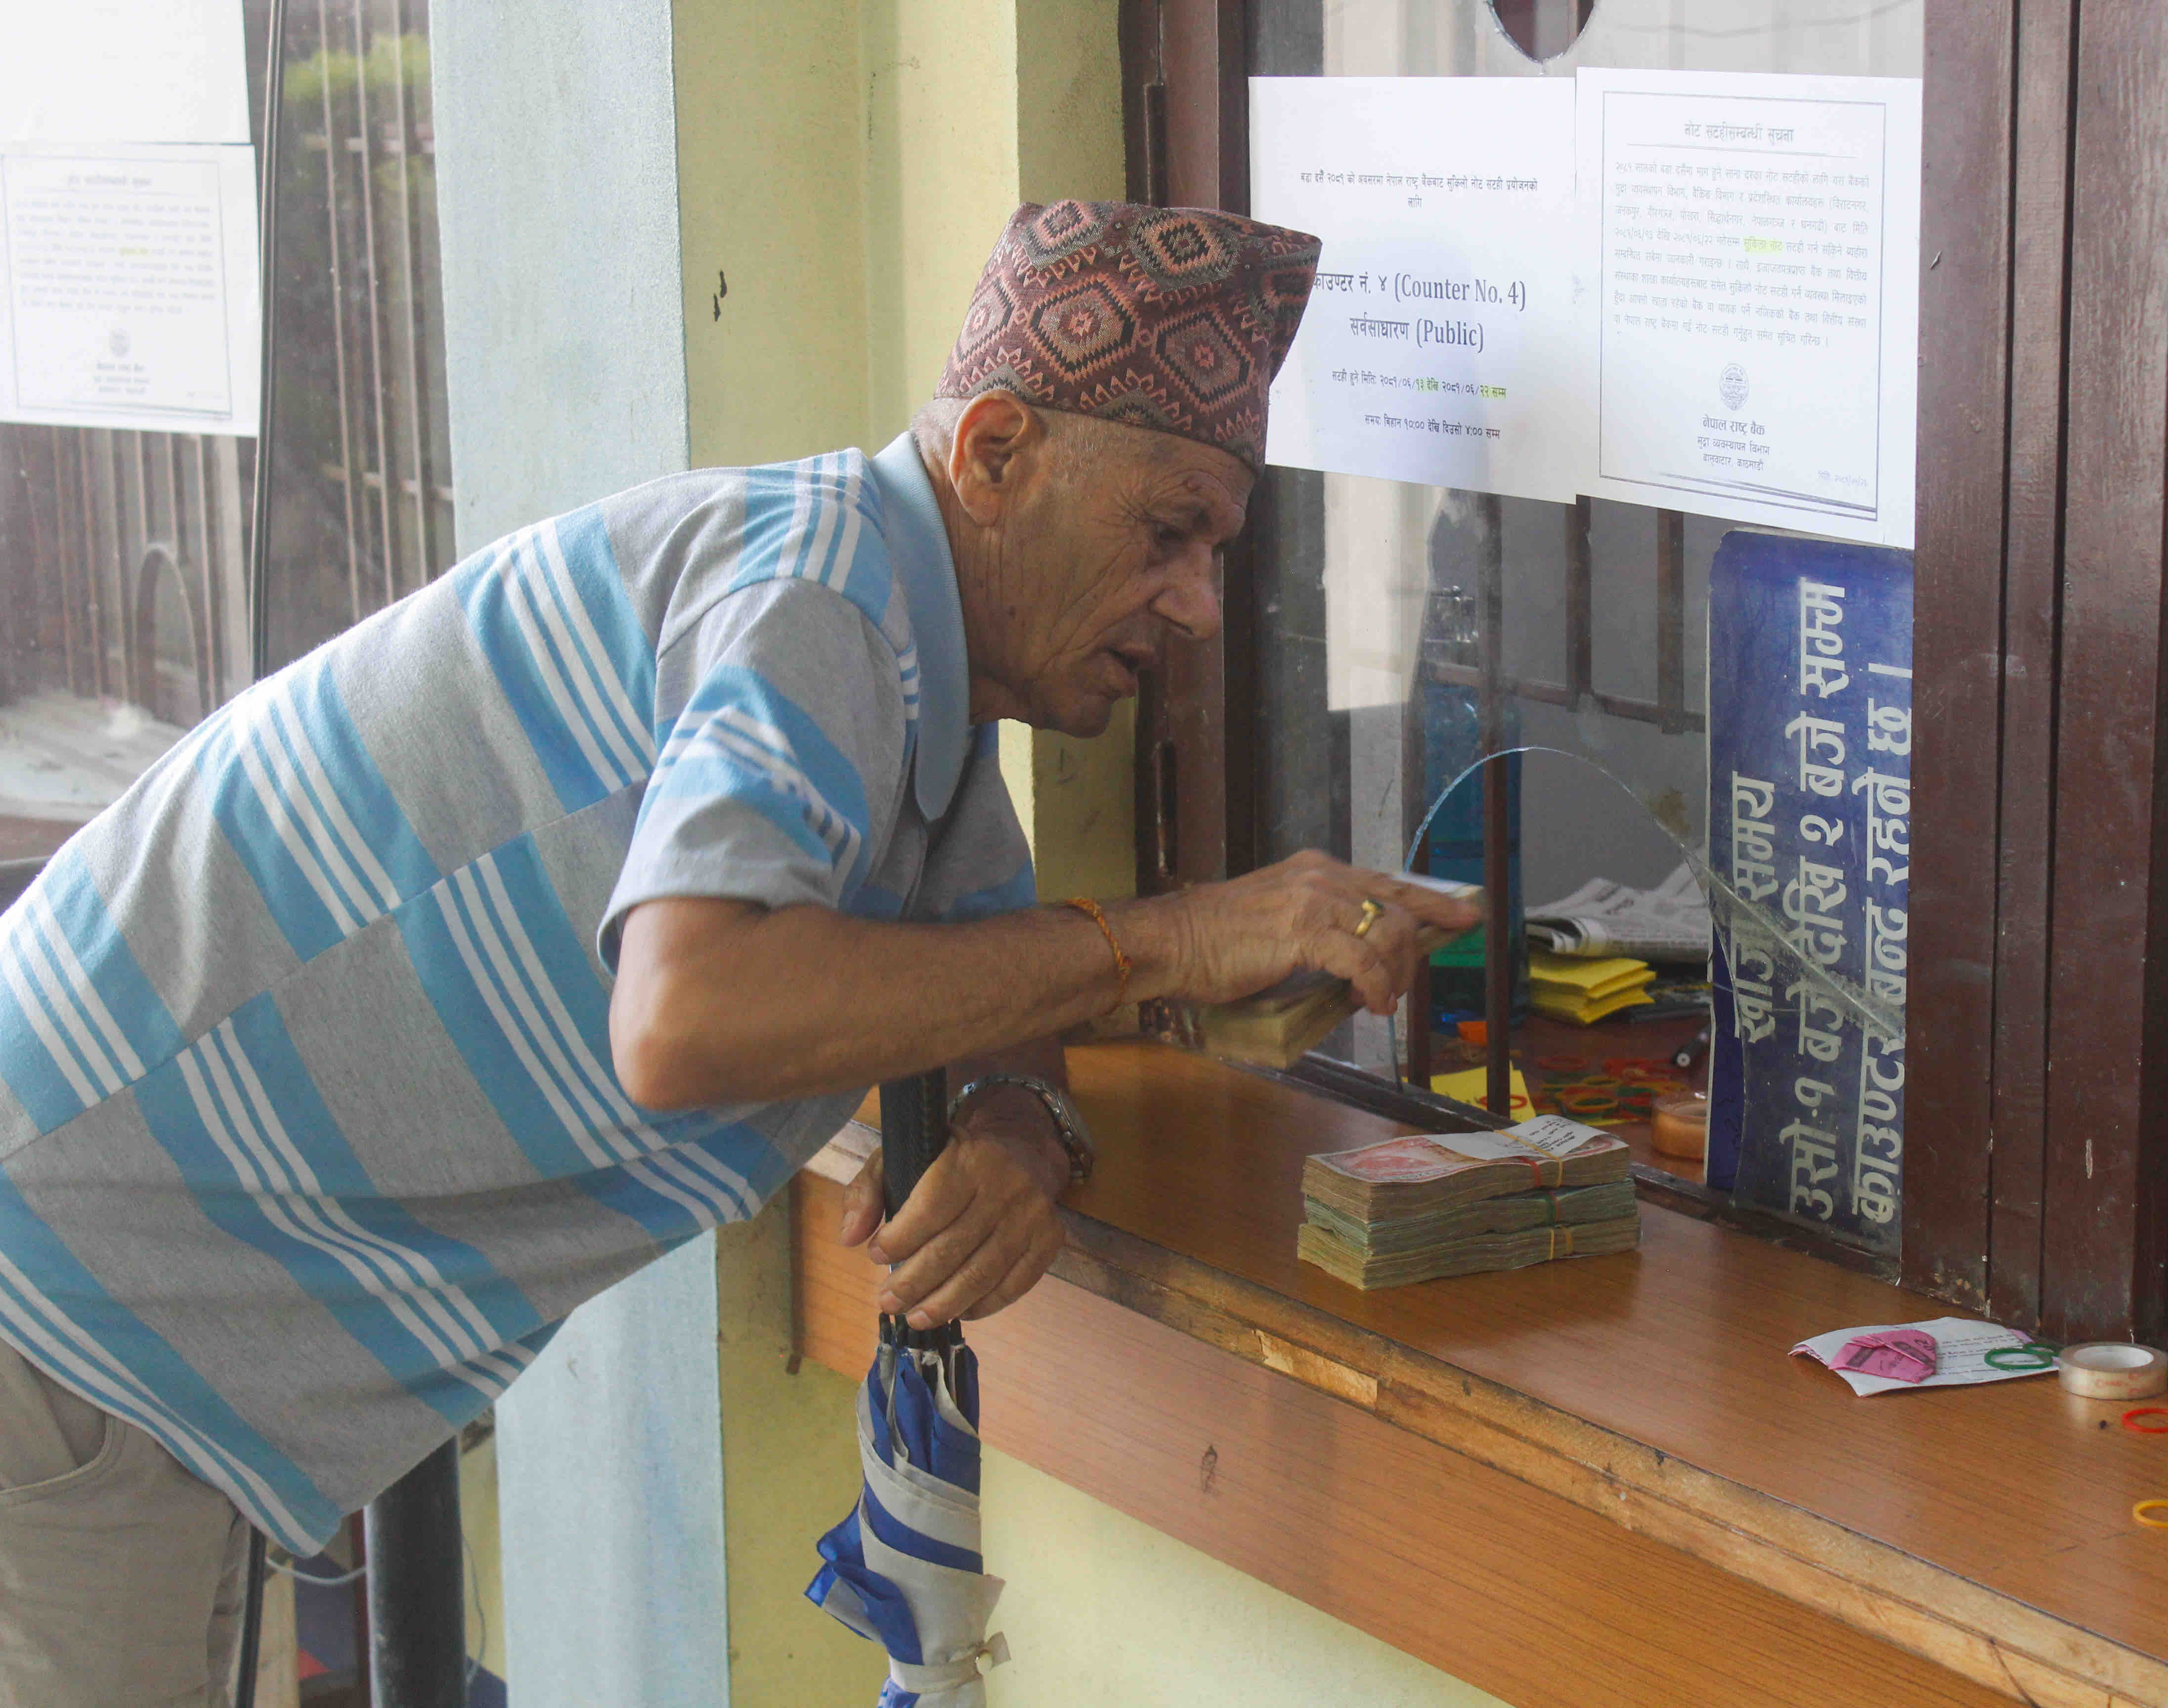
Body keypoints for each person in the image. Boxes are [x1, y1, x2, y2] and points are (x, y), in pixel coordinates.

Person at [0, 198, 1477, 1703]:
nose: (1201, 606)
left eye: (1218, 553)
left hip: (108, 1321)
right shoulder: (822, 596)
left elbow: (990, 967)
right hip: (67, 1311)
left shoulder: (926, 676)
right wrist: (1172, 939)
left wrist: (1020, 1126)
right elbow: (690, 1015)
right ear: (994, 454)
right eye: (1168, 536)